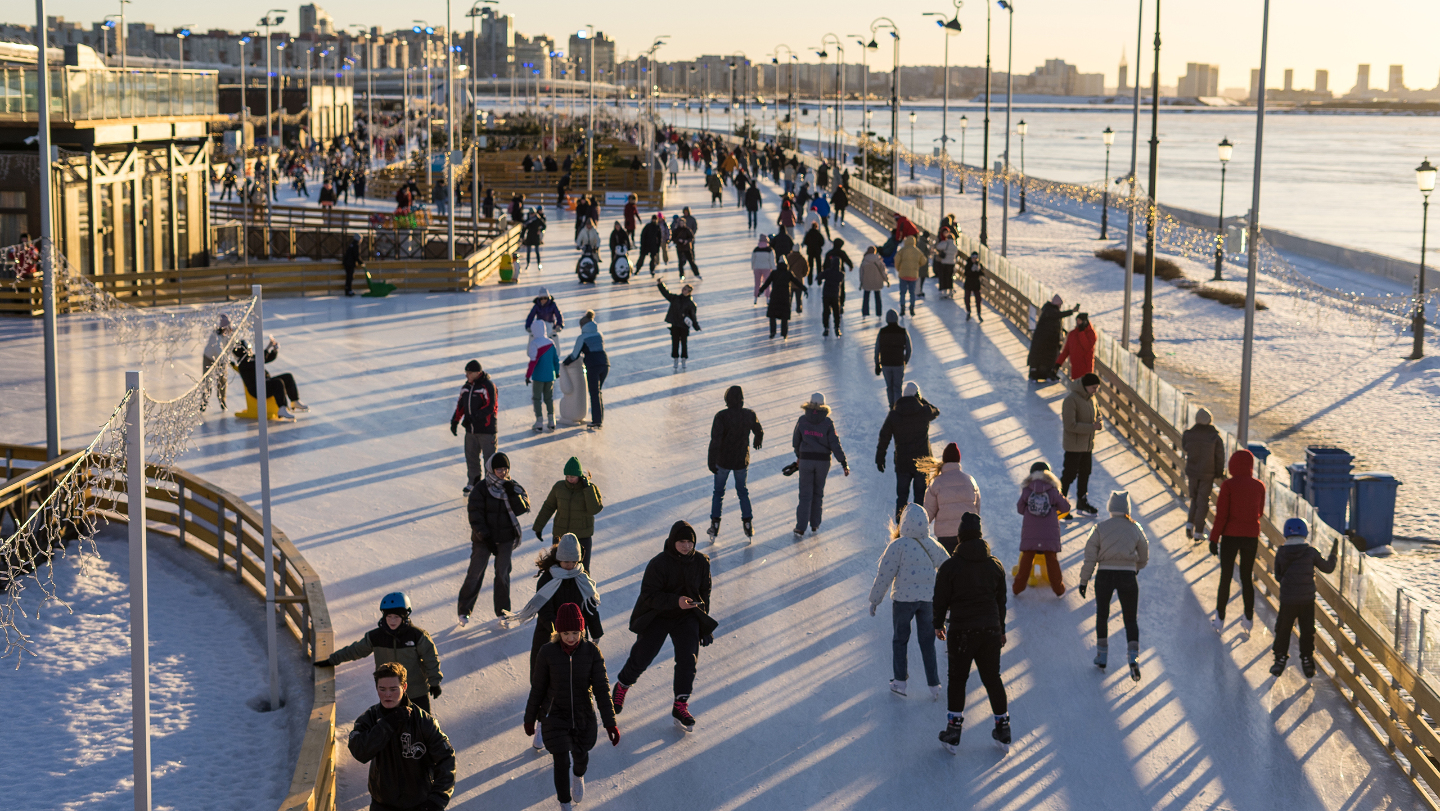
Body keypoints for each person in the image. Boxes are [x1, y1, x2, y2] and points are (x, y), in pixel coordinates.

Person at [612, 521, 717, 734]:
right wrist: (675, 601)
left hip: (687, 616)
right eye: (681, 541)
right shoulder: (658, 563)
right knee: (643, 655)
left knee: (688, 659)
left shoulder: (701, 562)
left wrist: (704, 625)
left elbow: (704, 593)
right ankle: (623, 684)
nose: (686, 546)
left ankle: (680, 705)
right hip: (658, 614)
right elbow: (648, 595)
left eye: (690, 542)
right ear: (672, 541)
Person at [525, 603, 619, 809]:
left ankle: (578, 776)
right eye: (566, 633)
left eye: (575, 632)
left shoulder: (591, 652)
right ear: (558, 632)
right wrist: (530, 717)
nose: (570, 637)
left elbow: (602, 689)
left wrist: (610, 722)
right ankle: (565, 804)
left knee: (580, 757)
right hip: (555, 715)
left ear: (582, 630)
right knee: (561, 761)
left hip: (583, 714)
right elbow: (538, 688)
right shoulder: (547, 652)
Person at [933, 513, 1011, 753]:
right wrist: (1001, 629)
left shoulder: (950, 566)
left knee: (957, 679)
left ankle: (954, 730)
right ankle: (1003, 728)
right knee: (992, 678)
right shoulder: (995, 565)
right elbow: (1001, 601)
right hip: (990, 630)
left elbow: (940, 598)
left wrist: (938, 624)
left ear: (960, 537)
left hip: (962, 631)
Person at [347, 662, 456, 811]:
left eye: (393, 689)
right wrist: (387, 724)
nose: (387, 694)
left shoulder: (423, 721)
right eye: (382, 689)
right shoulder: (370, 718)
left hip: (419, 805)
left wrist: (436, 801)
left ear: (404, 687)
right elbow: (360, 751)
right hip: (382, 805)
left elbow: (447, 758)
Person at [869, 503, 950, 700]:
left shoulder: (897, 546)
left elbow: (884, 574)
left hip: (903, 601)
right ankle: (934, 684)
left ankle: (900, 682)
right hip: (927, 600)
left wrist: (875, 600)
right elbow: (949, 569)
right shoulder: (933, 545)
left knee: (900, 639)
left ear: (904, 522)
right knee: (927, 642)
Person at [320, 592, 444, 713]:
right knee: (392, 725)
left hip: (416, 691)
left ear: (405, 616)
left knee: (422, 724)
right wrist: (332, 660)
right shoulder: (376, 636)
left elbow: (430, 659)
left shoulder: (417, 636)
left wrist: (434, 683)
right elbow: (355, 650)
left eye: (396, 617)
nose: (392, 621)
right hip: (389, 694)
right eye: (389, 616)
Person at [1077, 491, 1149, 679]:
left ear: (1110, 507)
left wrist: (1084, 581)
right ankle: (1133, 657)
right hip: (1127, 576)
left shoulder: (1100, 528)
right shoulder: (1135, 528)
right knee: (1130, 619)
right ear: (1127, 509)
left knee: (1102, 615)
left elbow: (1090, 558)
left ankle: (1101, 656)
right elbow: (1144, 553)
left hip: (1105, 575)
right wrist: (1135, 567)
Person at [460, 452, 530, 625]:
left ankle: (503, 612)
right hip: (483, 540)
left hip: (505, 539)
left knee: (502, 575)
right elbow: (475, 515)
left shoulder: (511, 486)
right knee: (475, 574)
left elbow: (521, 509)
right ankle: (464, 611)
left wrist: (512, 494)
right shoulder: (481, 489)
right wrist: (485, 536)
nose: (503, 473)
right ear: (491, 469)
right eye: (499, 469)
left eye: (505, 469)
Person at [1208, 449, 1267, 638]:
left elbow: (1221, 515)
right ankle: (1248, 618)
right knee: (1246, 577)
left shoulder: (1228, 486)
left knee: (1225, 577)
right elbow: (1259, 512)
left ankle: (1220, 618)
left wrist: (1214, 538)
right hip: (1250, 536)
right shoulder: (1259, 486)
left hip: (1230, 536)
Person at [1271, 518, 1338, 679]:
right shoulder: (1311, 552)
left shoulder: (1281, 552)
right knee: (1307, 630)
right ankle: (1307, 660)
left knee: (1283, 629)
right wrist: (1334, 553)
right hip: (1307, 600)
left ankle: (1280, 659)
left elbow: (1278, 575)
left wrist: (1288, 582)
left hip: (1288, 600)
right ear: (1305, 533)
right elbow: (1328, 568)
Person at [877, 382, 941, 523]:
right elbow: (936, 411)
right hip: (922, 463)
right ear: (917, 396)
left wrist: (880, 457)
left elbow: (884, 436)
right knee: (920, 497)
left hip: (903, 462)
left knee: (902, 496)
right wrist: (922, 400)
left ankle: (900, 527)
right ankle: (920, 526)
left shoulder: (894, 415)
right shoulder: (924, 411)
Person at [707, 385, 764, 542]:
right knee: (742, 491)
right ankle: (748, 523)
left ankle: (715, 524)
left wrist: (711, 460)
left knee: (718, 493)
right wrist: (758, 438)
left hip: (723, 461)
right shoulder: (749, 414)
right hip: (741, 460)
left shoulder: (721, 416)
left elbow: (715, 440)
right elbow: (759, 430)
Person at [791, 392, 850, 538]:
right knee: (818, 493)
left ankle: (800, 527)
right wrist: (843, 463)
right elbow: (835, 444)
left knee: (805, 495)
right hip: (823, 462)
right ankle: (815, 524)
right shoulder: (828, 422)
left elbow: (796, 441)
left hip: (806, 461)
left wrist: (799, 456)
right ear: (823, 404)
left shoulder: (802, 420)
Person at [532, 457, 605, 574]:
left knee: (582, 571)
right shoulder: (559, 487)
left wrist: (587, 489)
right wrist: (538, 527)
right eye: (567, 476)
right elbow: (548, 507)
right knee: (557, 569)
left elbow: (594, 509)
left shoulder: (590, 488)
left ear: (579, 475)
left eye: (573, 477)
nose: (569, 479)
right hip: (560, 536)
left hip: (582, 537)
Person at [1014, 461, 1070, 596]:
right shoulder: (1053, 490)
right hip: (1049, 533)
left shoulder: (1027, 489)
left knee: (1027, 558)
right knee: (1051, 559)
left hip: (1031, 532)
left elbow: (1020, 508)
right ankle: (1059, 589)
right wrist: (1054, 510)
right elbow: (1066, 508)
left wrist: (1030, 511)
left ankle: (1017, 588)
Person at [451, 359, 498, 494]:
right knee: (471, 457)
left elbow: (491, 406)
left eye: (469, 373)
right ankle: (474, 482)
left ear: (478, 372)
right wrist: (455, 421)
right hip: (471, 431)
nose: (466, 375)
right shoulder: (466, 387)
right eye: (466, 372)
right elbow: (460, 405)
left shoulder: (487, 386)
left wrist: (473, 418)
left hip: (486, 430)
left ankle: (491, 485)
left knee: (489, 459)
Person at [1178, 408, 1226, 541]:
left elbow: (1185, 447)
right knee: (1203, 501)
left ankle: (1190, 524)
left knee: (1194, 498)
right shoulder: (1214, 437)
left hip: (1192, 471)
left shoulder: (1189, 434)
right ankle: (1199, 531)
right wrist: (1219, 472)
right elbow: (1220, 456)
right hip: (1207, 473)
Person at [925, 443, 981, 555]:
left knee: (948, 563)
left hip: (945, 535)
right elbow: (976, 509)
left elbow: (928, 512)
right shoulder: (970, 480)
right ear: (958, 460)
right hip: (968, 533)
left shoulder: (936, 483)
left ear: (944, 460)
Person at [233, 336, 308, 420]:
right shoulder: (243, 363)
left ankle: (294, 401)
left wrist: (274, 350)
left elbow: (266, 358)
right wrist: (268, 348)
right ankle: (282, 407)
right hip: (256, 389)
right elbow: (260, 359)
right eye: (248, 348)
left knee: (287, 377)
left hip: (264, 383)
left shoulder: (250, 359)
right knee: (277, 382)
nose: (250, 350)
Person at [1060, 373, 1104, 517]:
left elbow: (1097, 413)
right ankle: (1059, 505)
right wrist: (1092, 427)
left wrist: (1099, 421)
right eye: (1093, 387)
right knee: (1069, 475)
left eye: (1097, 388)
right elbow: (1070, 425)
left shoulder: (1091, 398)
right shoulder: (1071, 400)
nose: (1095, 391)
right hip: (1074, 446)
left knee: (1085, 473)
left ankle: (1082, 503)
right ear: (1085, 386)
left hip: (1087, 446)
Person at [564, 310, 608, 429]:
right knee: (597, 392)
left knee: (594, 393)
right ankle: (599, 419)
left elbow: (575, 355)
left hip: (593, 366)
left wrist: (564, 364)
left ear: (582, 326)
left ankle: (597, 421)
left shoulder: (582, 337)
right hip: (605, 364)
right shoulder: (599, 334)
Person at [1027, 295, 1079, 382]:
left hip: (1049, 340)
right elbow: (1057, 315)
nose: (1060, 306)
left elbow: (1057, 318)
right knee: (1041, 357)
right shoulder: (1049, 310)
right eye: (1060, 304)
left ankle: (1046, 374)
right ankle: (1036, 374)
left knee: (1048, 358)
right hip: (1044, 340)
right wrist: (1071, 311)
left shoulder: (1050, 310)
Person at [757, 248, 805, 339]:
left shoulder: (774, 273)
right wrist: (804, 289)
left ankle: (773, 332)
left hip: (775, 296)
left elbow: (767, 283)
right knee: (784, 316)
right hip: (785, 297)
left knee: (772, 315)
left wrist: (760, 290)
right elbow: (797, 282)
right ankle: (784, 333)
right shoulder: (788, 274)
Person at [657, 279, 701, 371]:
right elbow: (666, 294)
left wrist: (696, 326)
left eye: (685, 289)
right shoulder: (675, 298)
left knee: (684, 343)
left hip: (684, 327)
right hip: (675, 325)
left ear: (689, 292)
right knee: (675, 343)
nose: (683, 290)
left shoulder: (691, 304)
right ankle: (675, 359)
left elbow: (693, 316)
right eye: (683, 288)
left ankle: (684, 359)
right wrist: (661, 284)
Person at [526, 321, 561, 432]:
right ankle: (551, 420)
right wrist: (557, 372)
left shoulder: (534, 343)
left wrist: (528, 376)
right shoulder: (551, 342)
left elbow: (533, 362)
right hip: (550, 376)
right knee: (549, 398)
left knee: (537, 398)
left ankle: (539, 422)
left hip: (538, 376)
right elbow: (556, 359)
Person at [874, 310, 913, 408]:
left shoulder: (882, 332)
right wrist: (905, 361)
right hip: (898, 363)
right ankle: (897, 407)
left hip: (886, 364)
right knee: (897, 387)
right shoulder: (902, 331)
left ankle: (891, 406)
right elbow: (909, 349)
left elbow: (877, 349)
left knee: (889, 387)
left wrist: (877, 364)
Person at [201, 314, 232, 413]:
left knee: (222, 380)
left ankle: (222, 401)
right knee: (207, 380)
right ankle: (204, 402)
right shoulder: (215, 335)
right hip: (209, 358)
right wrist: (226, 359)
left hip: (221, 360)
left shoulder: (229, 335)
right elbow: (218, 348)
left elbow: (231, 347)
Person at [817, 246, 848, 337]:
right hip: (835, 295)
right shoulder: (841, 274)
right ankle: (837, 328)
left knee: (826, 312)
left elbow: (819, 277)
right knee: (836, 313)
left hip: (826, 294)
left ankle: (826, 328)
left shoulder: (827, 272)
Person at [1057, 312, 1098, 380]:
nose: (1077, 323)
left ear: (1085, 322)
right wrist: (1058, 363)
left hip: (1086, 369)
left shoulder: (1091, 334)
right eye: (1077, 321)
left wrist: (1081, 333)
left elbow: (1087, 347)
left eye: (1079, 321)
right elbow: (1066, 351)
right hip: (1075, 368)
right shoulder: (1072, 334)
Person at [894, 236, 926, 317]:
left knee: (902, 293)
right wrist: (917, 265)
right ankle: (912, 308)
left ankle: (902, 308)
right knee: (912, 293)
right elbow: (924, 260)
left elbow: (896, 259)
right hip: (913, 275)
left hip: (903, 275)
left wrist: (899, 268)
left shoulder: (902, 250)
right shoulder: (917, 251)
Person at [858, 246, 890, 318]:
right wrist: (887, 280)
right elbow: (883, 272)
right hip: (877, 282)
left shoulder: (864, 260)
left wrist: (861, 282)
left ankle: (865, 312)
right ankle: (879, 313)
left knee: (866, 298)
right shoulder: (878, 260)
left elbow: (861, 273)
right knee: (878, 298)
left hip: (867, 282)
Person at [933, 230, 959, 299]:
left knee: (944, 277)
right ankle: (950, 290)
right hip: (952, 263)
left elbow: (938, 246)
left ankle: (944, 291)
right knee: (950, 277)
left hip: (945, 262)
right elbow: (956, 253)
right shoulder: (954, 246)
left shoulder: (945, 243)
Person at [750, 236, 777, 302]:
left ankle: (755, 298)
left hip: (757, 268)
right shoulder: (770, 250)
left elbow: (753, 260)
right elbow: (772, 261)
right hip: (767, 268)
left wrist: (753, 267)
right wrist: (774, 269)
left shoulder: (756, 249)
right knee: (767, 283)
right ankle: (767, 298)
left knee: (757, 283)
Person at [961, 251, 985, 321]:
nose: (974, 259)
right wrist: (971, 270)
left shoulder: (979, 264)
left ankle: (979, 313)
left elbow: (982, 273)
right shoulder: (968, 264)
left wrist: (979, 270)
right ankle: (968, 311)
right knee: (967, 298)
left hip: (976, 284)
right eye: (973, 257)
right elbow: (966, 273)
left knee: (978, 299)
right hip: (968, 283)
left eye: (976, 258)